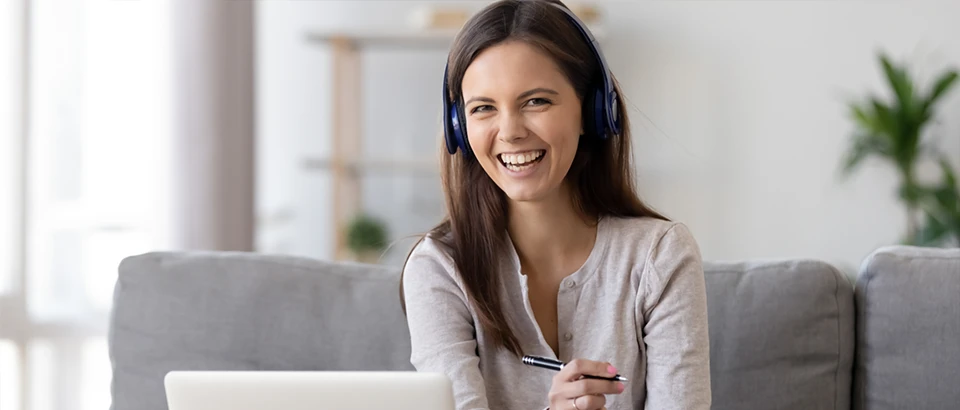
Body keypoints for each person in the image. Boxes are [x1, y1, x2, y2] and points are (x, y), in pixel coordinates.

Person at [399, 0, 711, 409]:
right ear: (459, 128)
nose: (509, 132)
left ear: (593, 111)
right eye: (483, 108)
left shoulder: (660, 255)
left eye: (536, 102)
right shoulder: (438, 268)